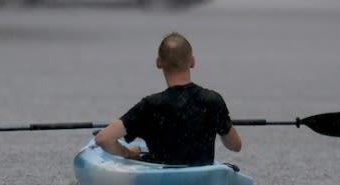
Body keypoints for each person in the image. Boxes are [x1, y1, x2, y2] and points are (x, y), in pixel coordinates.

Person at [95, 33, 243, 165]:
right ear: (192, 62)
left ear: (159, 63)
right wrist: (221, 124)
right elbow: (235, 146)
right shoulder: (212, 100)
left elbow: (103, 139)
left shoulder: (150, 105)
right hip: (201, 175)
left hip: (160, 178)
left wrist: (127, 153)